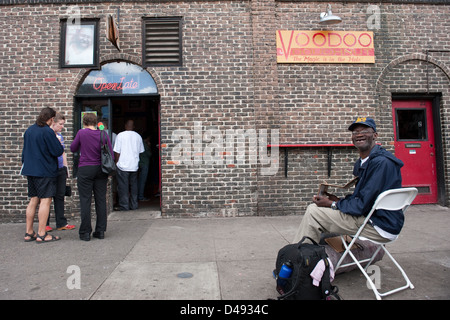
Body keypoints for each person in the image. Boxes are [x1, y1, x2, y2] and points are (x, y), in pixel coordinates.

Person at [293, 117, 404, 244]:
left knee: (314, 212)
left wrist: (332, 204)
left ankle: (298, 258)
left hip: (378, 225)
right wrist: (338, 201)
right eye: (355, 132)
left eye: (365, 131)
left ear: (375, 135)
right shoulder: (365, 161)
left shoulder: (381, 163)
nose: (359, 135)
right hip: (375, 218)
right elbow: (364, 197)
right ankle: (315, 256)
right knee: (320, 211)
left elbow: (362, 206)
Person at [22, 107, 64, 243]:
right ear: (51, 119)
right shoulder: (47, 131)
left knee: (33, 200)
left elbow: (24, 152)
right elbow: (57, 151)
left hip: (30, 170)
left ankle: (29, 232)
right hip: (44, 170)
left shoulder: (29, 130)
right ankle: (41, 233)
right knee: (45, 200)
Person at [70, 113, 113, 241]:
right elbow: (109, 150)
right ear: (96, 122)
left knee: (85, 200)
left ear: (84, 122)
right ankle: (100, 231)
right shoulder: (103, 134)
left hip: (85, 169)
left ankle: (85, 232)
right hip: (101, 169)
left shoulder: (81, 133)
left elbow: (73, 148)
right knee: (101, 200)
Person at [46, 113, 75, 232]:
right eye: (60, 124)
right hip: (49, 170)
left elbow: (63, 152)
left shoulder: (60, 136)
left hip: (60, 169)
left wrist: (66, 168)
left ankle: (61, 222)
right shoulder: (47, 135)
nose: (62, 127)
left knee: (60, 196)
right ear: (53, 123)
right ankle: (45, 223)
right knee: (46, 197)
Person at [113, 119, 145, 211]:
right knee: (134, 186)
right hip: (134, 165)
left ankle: (124, 206)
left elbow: (117, 151)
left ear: (125, 126)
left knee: (123, 187)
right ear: (133, 126)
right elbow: (141, 151)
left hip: (122, 165)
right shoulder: (138, 136)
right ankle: (134, 205)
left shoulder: (120, 135)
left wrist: (116, 162)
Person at [138, 133, 152, 201]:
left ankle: (138, 196)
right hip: (144, 163)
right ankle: (140, 196)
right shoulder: (145, 144)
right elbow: (149, 154)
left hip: (140, 163)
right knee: (142, 181)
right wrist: (149, 146)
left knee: (138, 181)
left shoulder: (140, 143)